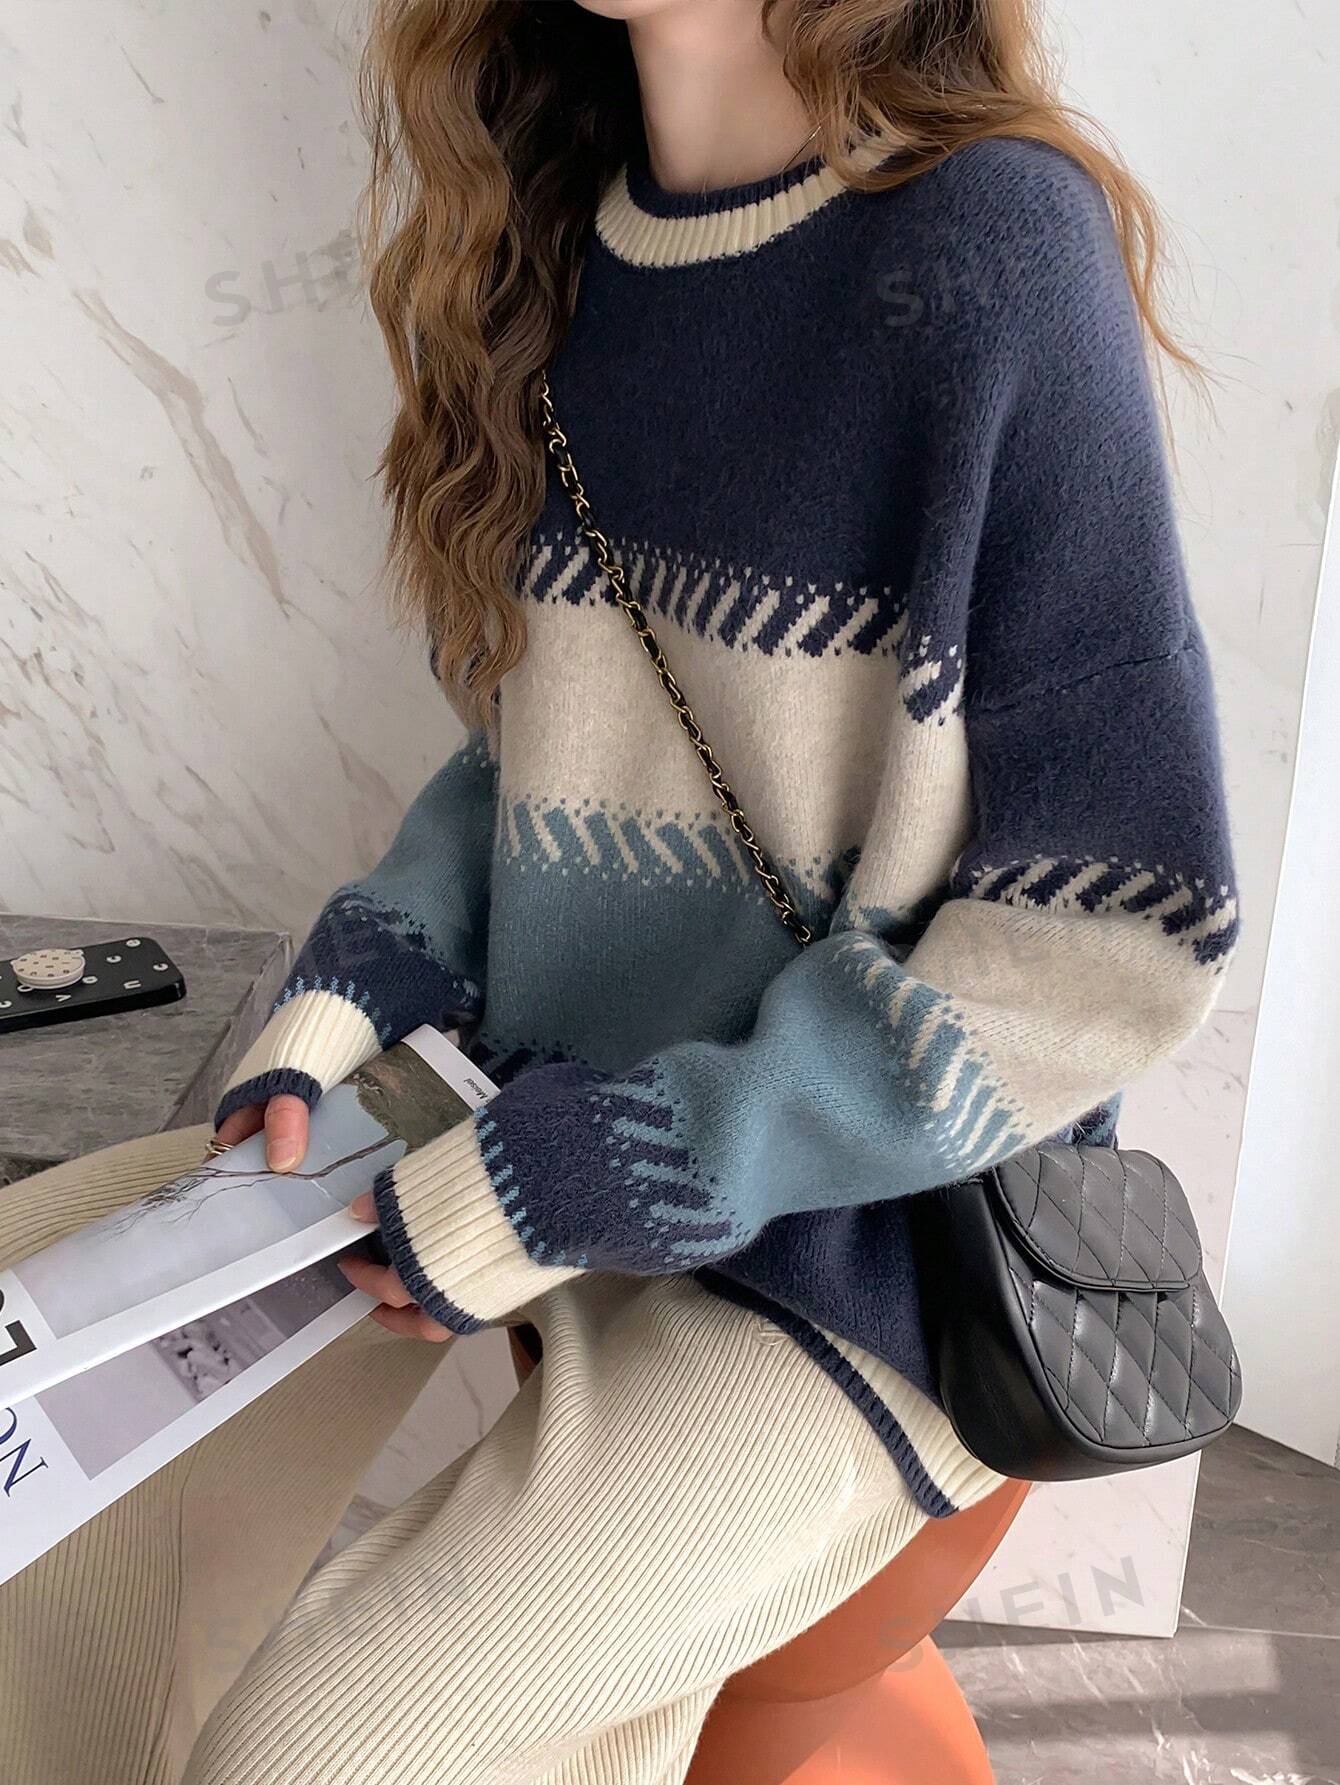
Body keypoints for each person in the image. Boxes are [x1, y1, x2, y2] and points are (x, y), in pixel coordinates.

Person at [0, 1, 1239, 1779]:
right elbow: (545, 761)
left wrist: (603, 1165)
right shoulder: (555, 239)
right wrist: (344, 999)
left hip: (860, 1245)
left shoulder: (994, 249)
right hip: (517, 1132)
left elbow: (1117, 931)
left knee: (314, 1755)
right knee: (34, 1402)